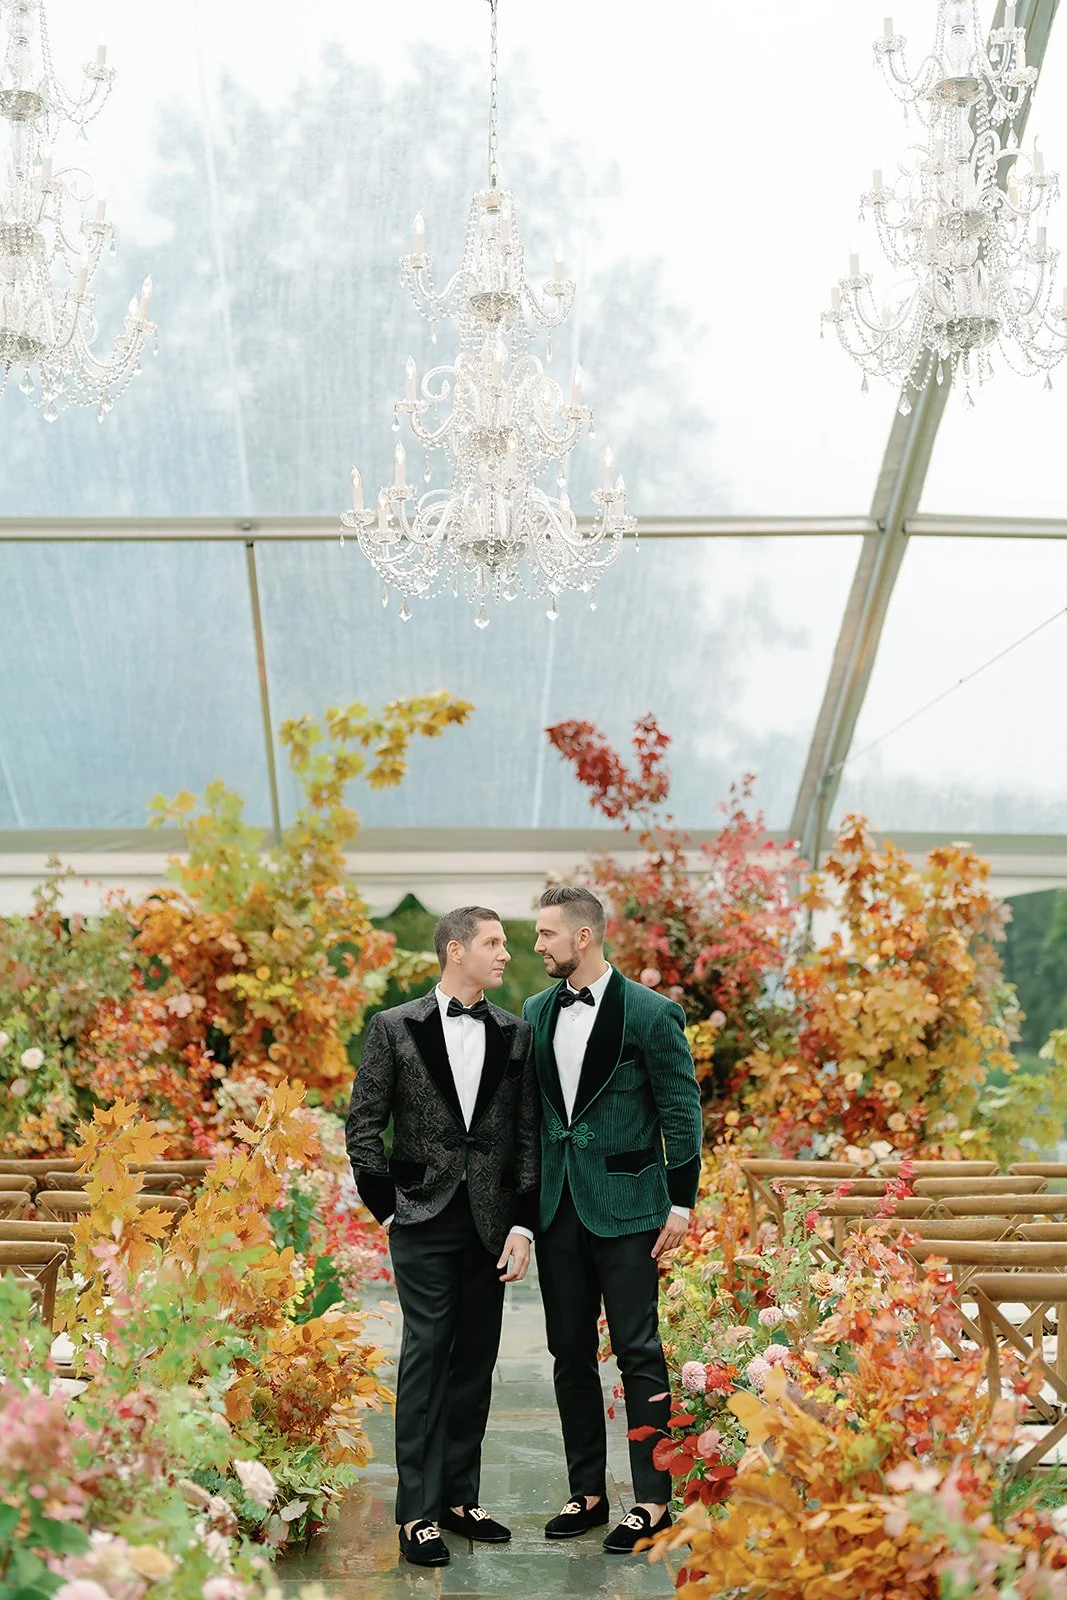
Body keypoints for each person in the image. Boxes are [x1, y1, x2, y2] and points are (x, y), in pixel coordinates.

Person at [346, 906, 540, 1569]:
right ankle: (417, 1513)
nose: (505, 953)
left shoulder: (516, 1033)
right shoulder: (393, 1027)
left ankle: (460, 1499)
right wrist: (387, 1211)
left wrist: (522, 1225)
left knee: (475, 1360)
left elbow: (527, 1137)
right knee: (427, 1356)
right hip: (421, 1219)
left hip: (491, 1226)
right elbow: (363, 1126)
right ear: (456, 950)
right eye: (493, 943)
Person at [523, 885, 703, 1555]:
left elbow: (681, 1110)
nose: (537, 945)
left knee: (638, 1352)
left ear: (584, 936)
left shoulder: (652, 1014)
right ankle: (587, 1495)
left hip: (630, 1209)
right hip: (558, 1209)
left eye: (546, 933)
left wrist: (680, 1203)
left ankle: (652, 1502)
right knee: (568, 1353)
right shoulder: (535, 1010)